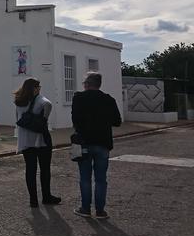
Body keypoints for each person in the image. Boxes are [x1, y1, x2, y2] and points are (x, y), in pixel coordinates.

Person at [72, 72, 122, 219]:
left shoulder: (78, 98)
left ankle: (85, 208)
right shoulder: (108, 100)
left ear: (87, 84)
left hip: (84, 142)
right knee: (101, 179)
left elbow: (75, 120)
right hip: (103, 143)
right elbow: (117, 121)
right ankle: (100, 211)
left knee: (85, 178)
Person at [14, 78, 61, 207]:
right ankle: (46, 196)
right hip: (41, 140)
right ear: (35, 88)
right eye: (38, 86)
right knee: (45, 169)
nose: (40, 88)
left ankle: (33, 200)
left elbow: (17, 119)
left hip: (25, 141)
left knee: (30, 170)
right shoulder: (41, 101)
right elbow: (48, 106)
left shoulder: (19, 102)